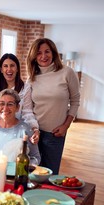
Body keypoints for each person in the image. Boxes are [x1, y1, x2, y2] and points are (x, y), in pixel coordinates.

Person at [26, 38, 80, 175]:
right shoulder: (32, 78)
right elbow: (28, 108)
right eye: (39, 53)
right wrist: (32, 129)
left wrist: (66, 125)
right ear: (33, 56)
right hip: (35, 132)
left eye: (47, 52)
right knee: (33, 173)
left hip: (55, 133)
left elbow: (75, 100)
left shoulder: (67, 72)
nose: (43, 56)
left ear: (54, 53)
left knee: (50, 174)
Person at [0, 89, 41, 162]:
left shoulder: (25, 129)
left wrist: (21, 168)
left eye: (10, 104)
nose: (5, 108)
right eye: (1, 103)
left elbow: (36, 158)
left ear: (17, 107)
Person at [0, 53, 40, 144]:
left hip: (17, 132)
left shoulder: (25, 88)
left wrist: (35, 129)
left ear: (17, 69)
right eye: (5, 66)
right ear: (1, 70)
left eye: (12, 66)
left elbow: (27, 112)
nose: (9, 69)